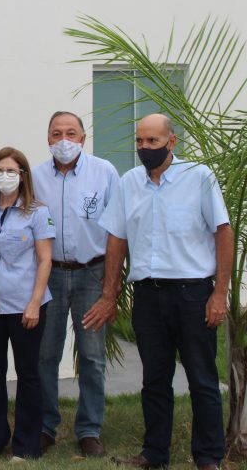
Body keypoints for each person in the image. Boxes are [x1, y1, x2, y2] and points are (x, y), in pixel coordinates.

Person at [83, 113, 232, 470]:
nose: (144, 148)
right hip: (148, 296)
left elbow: (222, 232)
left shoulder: (198, 177)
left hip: (193, 294)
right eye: (139, 141)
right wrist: (109, 294)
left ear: (172, 141)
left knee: (202, 379)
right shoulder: (129, 182)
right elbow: (116, 239)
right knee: (154, 380)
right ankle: (154, 454)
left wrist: (219, 294)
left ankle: (209, 457)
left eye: (152, 141)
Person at [32, 111, 119, 457]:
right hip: (49, 274)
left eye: (71, 133)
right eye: (56, 133)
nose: (63, 140)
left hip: (91, 274)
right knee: (45, 354)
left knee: (93, 355)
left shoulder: (105, 173)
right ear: (48, 139)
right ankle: (45, 426)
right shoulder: (35, 177)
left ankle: (89, 429)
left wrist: (111, 289)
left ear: (83, 138)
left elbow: (116, 232)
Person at [0, 147, 55, 462]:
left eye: (11, 170)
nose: (4, 176)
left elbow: (45, 260)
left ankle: (27, 444)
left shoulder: (37, 212)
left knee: (28, 374)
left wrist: (34, 303)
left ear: (23, 176)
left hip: (26, 305)